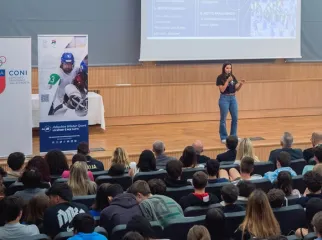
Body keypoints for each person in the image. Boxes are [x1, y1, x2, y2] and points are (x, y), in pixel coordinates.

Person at [217, 62, 245, 143]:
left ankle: (233, 136)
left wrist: (241, 84)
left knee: (235, 118)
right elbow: (222, 89)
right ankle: (224, 137)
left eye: (230, 68)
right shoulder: (220, 77)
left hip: (233, 98)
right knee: (223, 119)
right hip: (224, 98)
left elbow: (236, 89)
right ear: (224, 68)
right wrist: (227, 81)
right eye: (227, 68)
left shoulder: (232, 77)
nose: (229, 69)